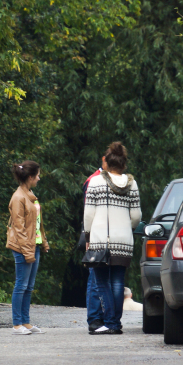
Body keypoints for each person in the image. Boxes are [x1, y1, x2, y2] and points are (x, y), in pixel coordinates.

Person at [83, 142, 141, 334]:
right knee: (118, 281)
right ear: (124, 164)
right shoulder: (132, 184)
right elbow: (136, 216)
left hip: (100, 240)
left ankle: (109, 322)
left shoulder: (96, 182)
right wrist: (127, 228)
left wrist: (88, 235)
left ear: (106, 162)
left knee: (101, 282)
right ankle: (115, 323)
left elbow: (89, 214)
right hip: (124, 240)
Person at [6, 160, 49, 335]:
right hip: (22, 247)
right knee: (21, 285)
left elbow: (37, 224)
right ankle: (17, 324)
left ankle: (26, 321)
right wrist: (27, 251)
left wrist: (43, 242)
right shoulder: (18, 198)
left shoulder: (30, 195)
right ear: (30, 177)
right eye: (37, 175)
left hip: (34, 245)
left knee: (29, 286)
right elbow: (19, 227)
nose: (39, 178)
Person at [82, 164, 104, 333]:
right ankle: (95, 318)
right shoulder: (93, 181)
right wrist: (88, 237)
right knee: (95, 277)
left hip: (105, 234)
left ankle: (100, 316)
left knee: (100, 278)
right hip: (96, 236)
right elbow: (88, 212)